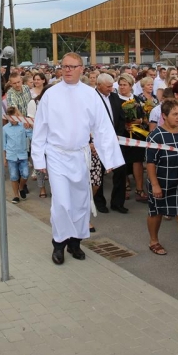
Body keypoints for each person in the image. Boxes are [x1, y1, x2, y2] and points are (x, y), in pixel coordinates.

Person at [31, 52, 124, 265]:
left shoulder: (90, 95)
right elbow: (40, 128)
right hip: (56, 155)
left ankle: (75, 242)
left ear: (81, 69)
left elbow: (102, 127)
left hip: (80, 155)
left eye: (73, 66)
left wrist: (109, 159)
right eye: (65, 66)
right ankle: (59, 244)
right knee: (62, 203)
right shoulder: (51, 94)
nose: (68, 70)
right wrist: (39, 160)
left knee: (80, 202)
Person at [145, 99, 178, 260]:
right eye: (175, 114)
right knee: (156, 212)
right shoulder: (155, 136)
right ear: (164, 116)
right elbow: (150, 163)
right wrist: (155, 185)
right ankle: (153, 241)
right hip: (161, 181)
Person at [93, 73, 130, 214]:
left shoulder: (114, 97)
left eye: (111, 86)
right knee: (99, 173)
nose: (111, 89)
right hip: (98, 142)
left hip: (115, 141)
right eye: (108, 86)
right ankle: (99, 202)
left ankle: (117, 202)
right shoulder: (92, 98)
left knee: (120, 171)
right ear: (99, 85)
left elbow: (120, 118)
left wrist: (118, 135)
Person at [116, 73, 146, 201]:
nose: (122, 87)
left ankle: (139, 189)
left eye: (125, 85)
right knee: (123, 161)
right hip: (122, 135)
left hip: (137, 134)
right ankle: (125, 186)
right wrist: (124, 125)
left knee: (137, 160)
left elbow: (144, 115)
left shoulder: (137, 99)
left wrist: (140, 121)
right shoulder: (115, 99)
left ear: (131, 86)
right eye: (120, 85)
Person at [3, 106, 32, 204]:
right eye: (11, 117)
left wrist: (29, 127)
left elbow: (31, 136)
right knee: (14, 176)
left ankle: (21, 187)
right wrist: (4, 158)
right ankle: (16, 195)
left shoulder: (23, 126)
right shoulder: (5, 128)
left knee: (25, 174)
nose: (13, 120)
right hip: (11, 156)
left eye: (15, 117)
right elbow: (4, 145)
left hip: (22, 155)